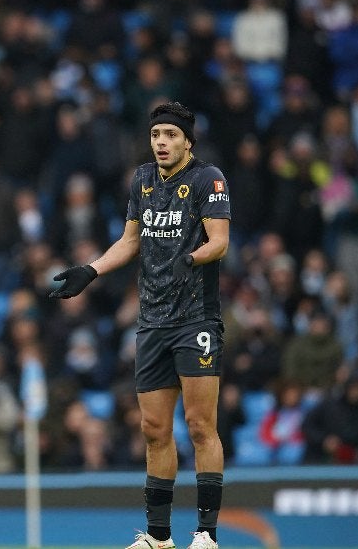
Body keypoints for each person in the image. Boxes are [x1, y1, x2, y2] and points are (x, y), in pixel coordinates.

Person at [50, 101, 230, 549]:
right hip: (152, 321)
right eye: (156, 136)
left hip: (195, 319)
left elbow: (220, 243)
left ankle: (206, 534)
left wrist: (189, 257)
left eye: (170, 135)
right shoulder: (143, 180)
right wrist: (90, 271)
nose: (162, 143)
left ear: (188, 140)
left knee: (200, 425)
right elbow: (131, 241)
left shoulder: (209, 179)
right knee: (153, 429)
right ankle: (158, 537)